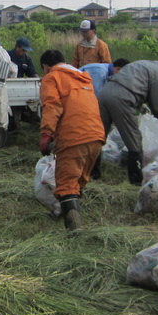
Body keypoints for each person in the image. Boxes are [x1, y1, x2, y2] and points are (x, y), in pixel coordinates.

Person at [38, 49, 106, 231]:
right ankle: (64, 210)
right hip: (97, 136)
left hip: (74, 136)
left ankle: (74, 230)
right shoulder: (83, 79)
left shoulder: (52, 78)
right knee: (78, 181)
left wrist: (46, 134)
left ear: (46, 66)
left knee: (67, 183)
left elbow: (52, 106)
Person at [98, 58, 158, 185]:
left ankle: (93, 173)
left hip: (104, 93)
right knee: (134, 140)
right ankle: (135, 181)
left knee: (98, 136)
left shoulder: (141, 64)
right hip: (122, 99)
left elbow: (133, 85)